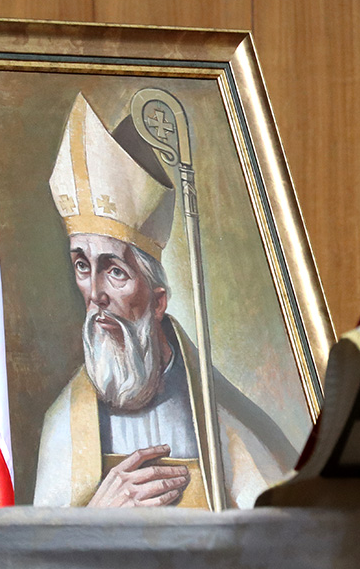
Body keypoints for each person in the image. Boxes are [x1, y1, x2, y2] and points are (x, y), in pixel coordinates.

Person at [34, 93, 297, 509]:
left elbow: (283, 538)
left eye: (115, 270)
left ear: (158, 301)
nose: (96, 294)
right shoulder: (63, 424)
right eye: (83, 266)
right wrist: (97, 523)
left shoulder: (221, 416)